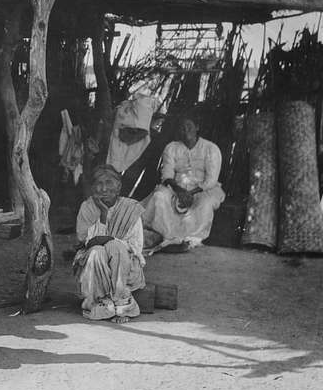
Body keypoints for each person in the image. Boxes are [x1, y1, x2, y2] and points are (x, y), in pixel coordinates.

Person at [73, 165, 146, 323]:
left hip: (124, 263)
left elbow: (136, 247)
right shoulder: (87, 207)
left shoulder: (130, 209)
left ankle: (122, 303)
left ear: (118, 187)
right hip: (92, 263)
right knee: (96, 251)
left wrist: (109, 240)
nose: (104, 188)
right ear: (92, 187)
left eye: (109, 183)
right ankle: (100, 301)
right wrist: (104, 215)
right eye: (99, 183)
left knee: (115, 247)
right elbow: (85, 241)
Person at [142, 113, 225, 250]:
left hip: (203, 189)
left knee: (205, 204)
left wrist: (191, 193)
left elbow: (211, 180)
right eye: (182, 128)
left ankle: (190, 240)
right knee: (159, 196)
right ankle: (168, 236)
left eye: (189, 126)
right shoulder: (172, 148)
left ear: (197, 127)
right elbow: (167, 175)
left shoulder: (211, 149)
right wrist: (180, 191)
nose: (185, 130)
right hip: (177, 188)